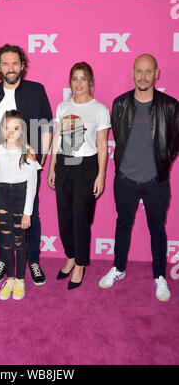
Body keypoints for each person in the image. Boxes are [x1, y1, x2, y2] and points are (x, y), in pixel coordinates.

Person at [99, 54, 179, 302]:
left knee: (157, 229)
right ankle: (118, 268)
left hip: (156, 181)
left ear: (156, 74)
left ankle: (159, 276)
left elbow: (175, 143)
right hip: (125, 180)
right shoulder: (120, 104)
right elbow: (119, 140)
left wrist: (160, 164)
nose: (143, 76)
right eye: (139, 71)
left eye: (148, 72)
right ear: (133, 72)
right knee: (123, 224)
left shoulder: (170, 105)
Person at [0, 44, 53, 286]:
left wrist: (40, 159)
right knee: (0, 216)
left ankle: (32, 261)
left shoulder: (36, 90)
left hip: (25, 166)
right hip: (0, 164)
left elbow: (46, 126)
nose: (10, 68)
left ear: (22, 66)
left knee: (29, 214)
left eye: (15, 63)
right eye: (5, 63)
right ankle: (3, 261)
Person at [48, 62, 110, 290]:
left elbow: (102, 145)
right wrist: (53, 167)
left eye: (83, 78)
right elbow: (57, 139)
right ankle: (71, 256)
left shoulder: (100, 109)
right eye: (75, 78)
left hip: (87, 166)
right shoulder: (62, 106)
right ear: (70, 82)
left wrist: (101, 175)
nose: (79, 83)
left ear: (91, 82)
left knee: (80, 217)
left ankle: (81, 264)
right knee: (64, 216)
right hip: (64, 163)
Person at [0, 110, 41, 300]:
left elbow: (32, 185)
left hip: (21, 197)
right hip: (2, 198)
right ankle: (9, 278)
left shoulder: (29, 152)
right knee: (6, 242)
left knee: (20, 242)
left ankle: (20, 279)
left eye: (15, 128)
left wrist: (28, 213)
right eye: (7, 128)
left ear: (22, 129)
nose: (11, 132)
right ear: (1, 129)